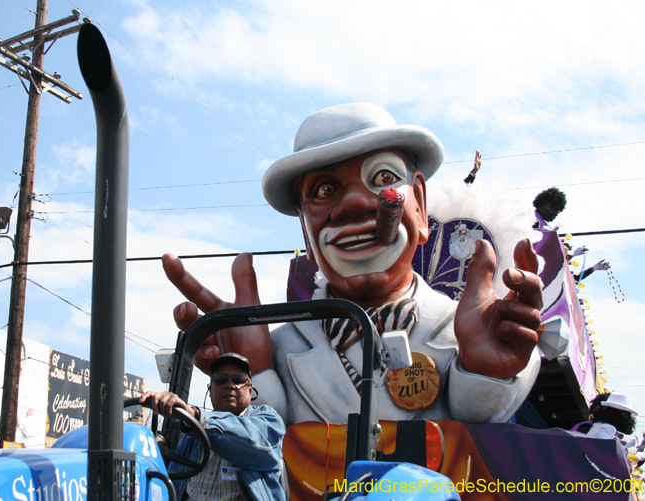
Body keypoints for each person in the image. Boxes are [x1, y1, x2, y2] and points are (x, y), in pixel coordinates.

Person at [163, 102, 542, 425]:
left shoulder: (464, 332)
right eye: (325, 191)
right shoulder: (277, 350)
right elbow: (269, 453)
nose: (354, 205)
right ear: (306, 232)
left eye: (383, 177)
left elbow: (477, 430)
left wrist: (485, 374)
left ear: (420, 205)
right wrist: (253, 373)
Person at [140, 353, 286, 501]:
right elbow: (170, 483)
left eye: (239, 380)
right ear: (210, 391)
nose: (230, 384)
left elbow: (257, 442)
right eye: (220, 379)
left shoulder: (268, 419)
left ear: (250, 391)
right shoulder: (191, 437)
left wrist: (195, 417)